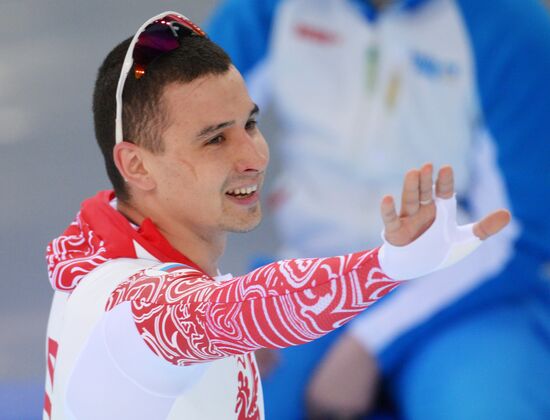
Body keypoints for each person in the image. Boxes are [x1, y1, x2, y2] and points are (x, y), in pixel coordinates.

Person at [42, 11, 509, 420]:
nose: (255, 157)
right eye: (215, 139)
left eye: (250, 124)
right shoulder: (123, 306)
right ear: (136, 165)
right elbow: (225, 311)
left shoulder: (124, 259)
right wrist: (387, 267)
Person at [206, 0, 550, 419]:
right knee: (205, 395)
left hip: (468, 291)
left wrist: (369, 345)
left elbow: (521, 230)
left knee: (487, 407)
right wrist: (215, 301)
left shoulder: (510, 24)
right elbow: (180, 158)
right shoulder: (263, 10)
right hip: (313, 280)